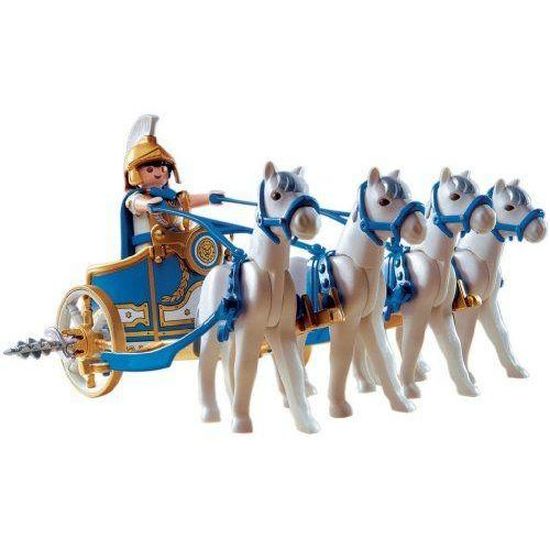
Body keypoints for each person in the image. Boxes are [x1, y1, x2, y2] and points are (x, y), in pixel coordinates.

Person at [121, 115, 221, 257]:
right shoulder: (136, 197)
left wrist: (209, 198)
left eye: (162, 168)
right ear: (135, 174)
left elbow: (188, 201)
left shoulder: (170, 197)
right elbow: (136, 203)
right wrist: (148, 204)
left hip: (177, 247)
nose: (158, 173)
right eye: (150, 169)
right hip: (150, 251)